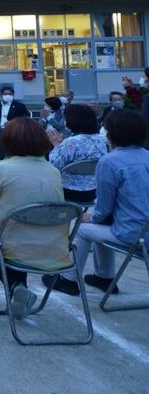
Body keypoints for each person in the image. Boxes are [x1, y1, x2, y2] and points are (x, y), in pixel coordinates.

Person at [0, 118, 70, 319]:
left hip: (12, 244)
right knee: (12, 230)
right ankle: (18, 287)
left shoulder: (0, 169)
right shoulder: (53, 171)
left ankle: (15, 286)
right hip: (53, 246)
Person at [54, 110, 149, 296]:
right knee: (100, 223)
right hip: (143, 229)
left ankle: (68, 280)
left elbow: (103, 208)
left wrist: (92, 217)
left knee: (83, 227)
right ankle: (104, 277)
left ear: (112, 133)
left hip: (134, 234)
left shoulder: (110, 161)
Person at [47, 103, 107, 202]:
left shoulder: (71, 142)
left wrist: (56, 145)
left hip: (71, 191)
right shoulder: (102, 140)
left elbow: (54, 166)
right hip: (98, 190)